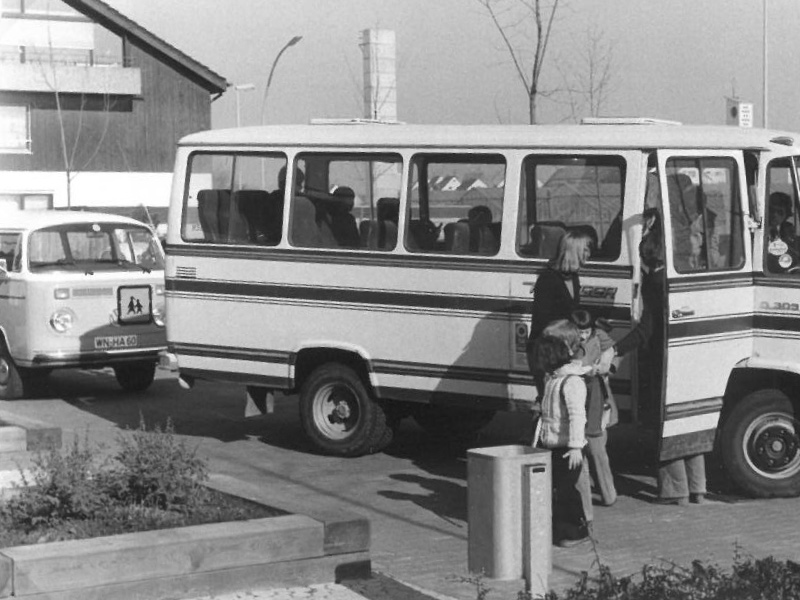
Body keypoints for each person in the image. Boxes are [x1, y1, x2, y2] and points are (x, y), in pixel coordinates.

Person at [612, 208, 707, 506]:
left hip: (663, 360)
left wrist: (616, 349)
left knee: (665, 422)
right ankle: (698, 488)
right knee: (690, 419)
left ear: (649, 256)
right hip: (691, 357)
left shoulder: (655, 282)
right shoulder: (689, 275)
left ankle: (675, 490)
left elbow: (646, 329)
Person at [531, 319, 593, 547]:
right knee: (554, 487)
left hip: (567, 447)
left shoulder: (571, 382)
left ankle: (577, 531)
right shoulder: (553, 379)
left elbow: (578, 416)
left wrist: (576, 446)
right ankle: (559, 528)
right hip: (551, 444)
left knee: (567, 490)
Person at [526, 229, 594, 389]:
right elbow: (543, 323)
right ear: (574, 251)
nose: (589, 254)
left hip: (564, 349)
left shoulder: (573, 277)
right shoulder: (548, 279)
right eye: (585, 249)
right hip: (548, 352)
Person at [570, 308, 618, 507]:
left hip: (595, 392)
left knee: (595, 443)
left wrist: (605, 365)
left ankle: (608, 494)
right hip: (576, 391)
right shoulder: (567, 337)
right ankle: (588, 495)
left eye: (586, 332)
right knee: (583, 443)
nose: (583, 336)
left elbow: (611, 350)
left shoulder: (598, 335)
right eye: (579, 332)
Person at [766, 191, 799, 272]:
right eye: (772, 210)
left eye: (780, 212)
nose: (775, 215)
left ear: (786, 215)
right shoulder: (756, 233)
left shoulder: (791, 236)